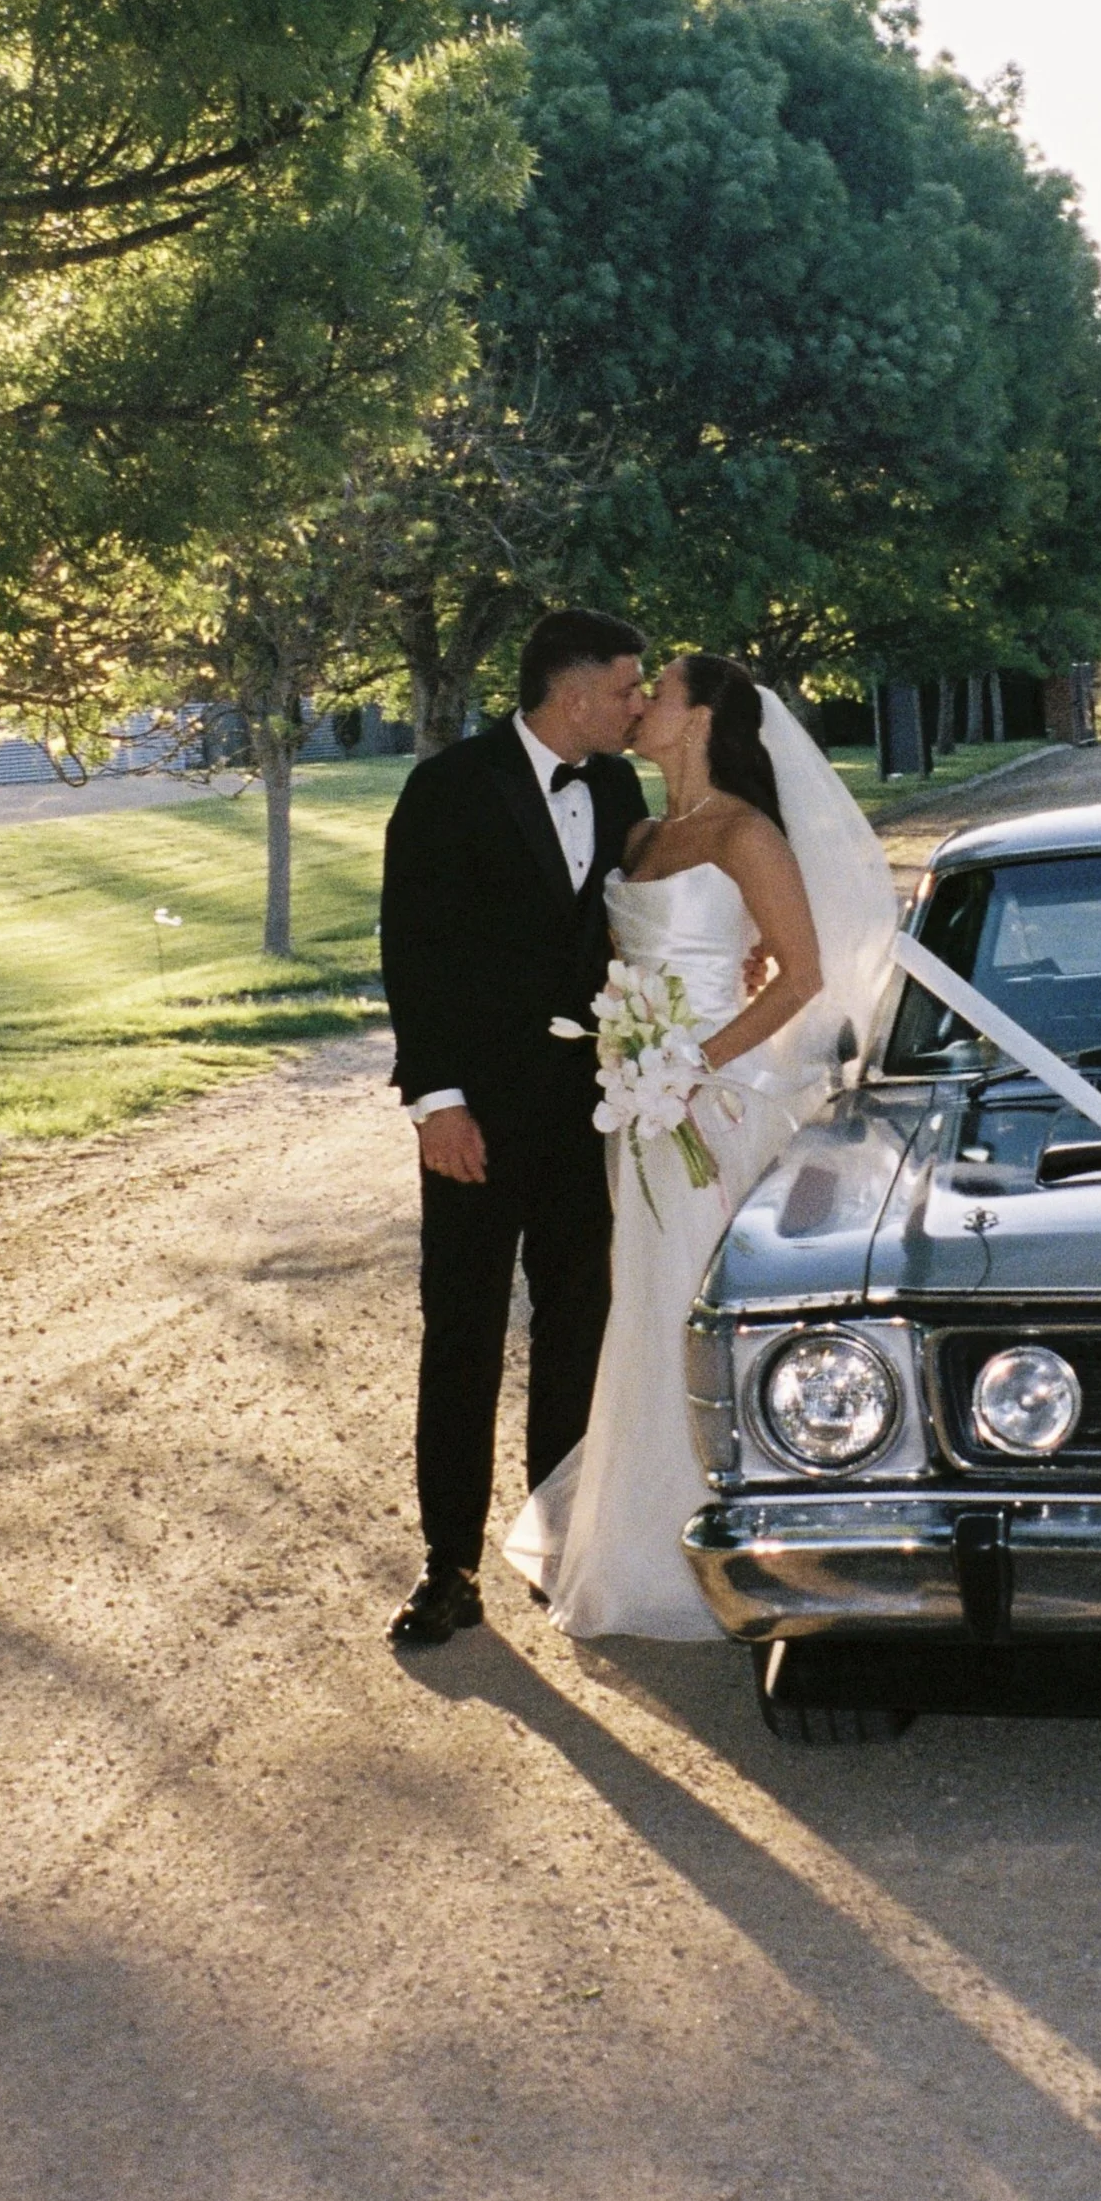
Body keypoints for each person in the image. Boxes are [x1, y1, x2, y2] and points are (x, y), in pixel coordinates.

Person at [504, 654, 900, 1638]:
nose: (640, 706)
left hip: (715, 1102)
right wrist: (635, 1055)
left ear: (702, 717)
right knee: (641, 1299)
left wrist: (691, 1062)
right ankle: (639, 1535)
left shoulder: (743, 830)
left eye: (659, 692)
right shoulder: (640, 833)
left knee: (698, 1295)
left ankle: (737, 1523)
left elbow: (800, 972)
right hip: (639, 1111)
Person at [379, 607, 649, 1648]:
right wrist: (435, 1101)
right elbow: (415, 947)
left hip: (587, 1106)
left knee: (578, 1324)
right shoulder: (448, 786)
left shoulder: (618, 785)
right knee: (463, 1331)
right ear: (573, 691)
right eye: (626, 687)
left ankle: (557, 1538)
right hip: (477, 1113)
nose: (636, 704)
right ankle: (445, 1564)